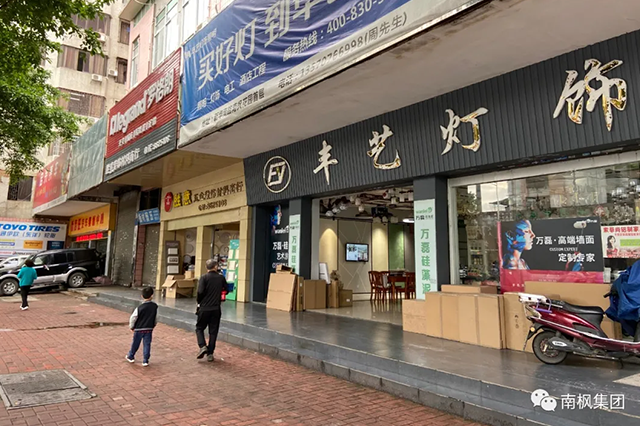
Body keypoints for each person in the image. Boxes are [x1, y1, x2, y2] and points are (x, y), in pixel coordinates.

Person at [196, 259, 227, 362]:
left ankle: (202, 346)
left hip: (204, 307)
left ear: (206, 267)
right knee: (213, 331)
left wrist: (199, 302)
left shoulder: (204, 278)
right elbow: (226, 289)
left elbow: (200, 292)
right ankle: (210, 353)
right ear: (216, 267)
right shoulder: (221, 278)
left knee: (199, 328)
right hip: (216, 308)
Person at [126, 287, 158, 367]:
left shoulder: (140, 307)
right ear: (152, 295)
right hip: (149, 328)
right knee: (147, 344)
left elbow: (133, 317)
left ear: (142, 296)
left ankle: (131, 356)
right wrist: (153, 324)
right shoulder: (154, 306)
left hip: (139, 328)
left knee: (135, 343)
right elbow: (155, 317)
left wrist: (131, 326)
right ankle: (145, 360)